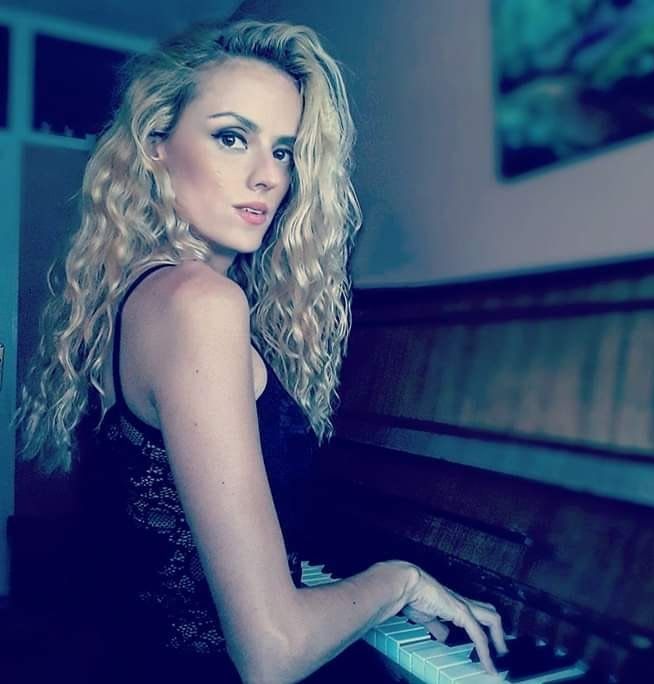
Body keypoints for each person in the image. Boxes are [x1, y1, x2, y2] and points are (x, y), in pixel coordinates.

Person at [16, 18, 507, 684]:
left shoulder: (135, 295)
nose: (267, 176)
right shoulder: (200, 304)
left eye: (283, 151)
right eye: (231, 137)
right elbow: (272, 654)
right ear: (156, 145)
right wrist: (400, 581)